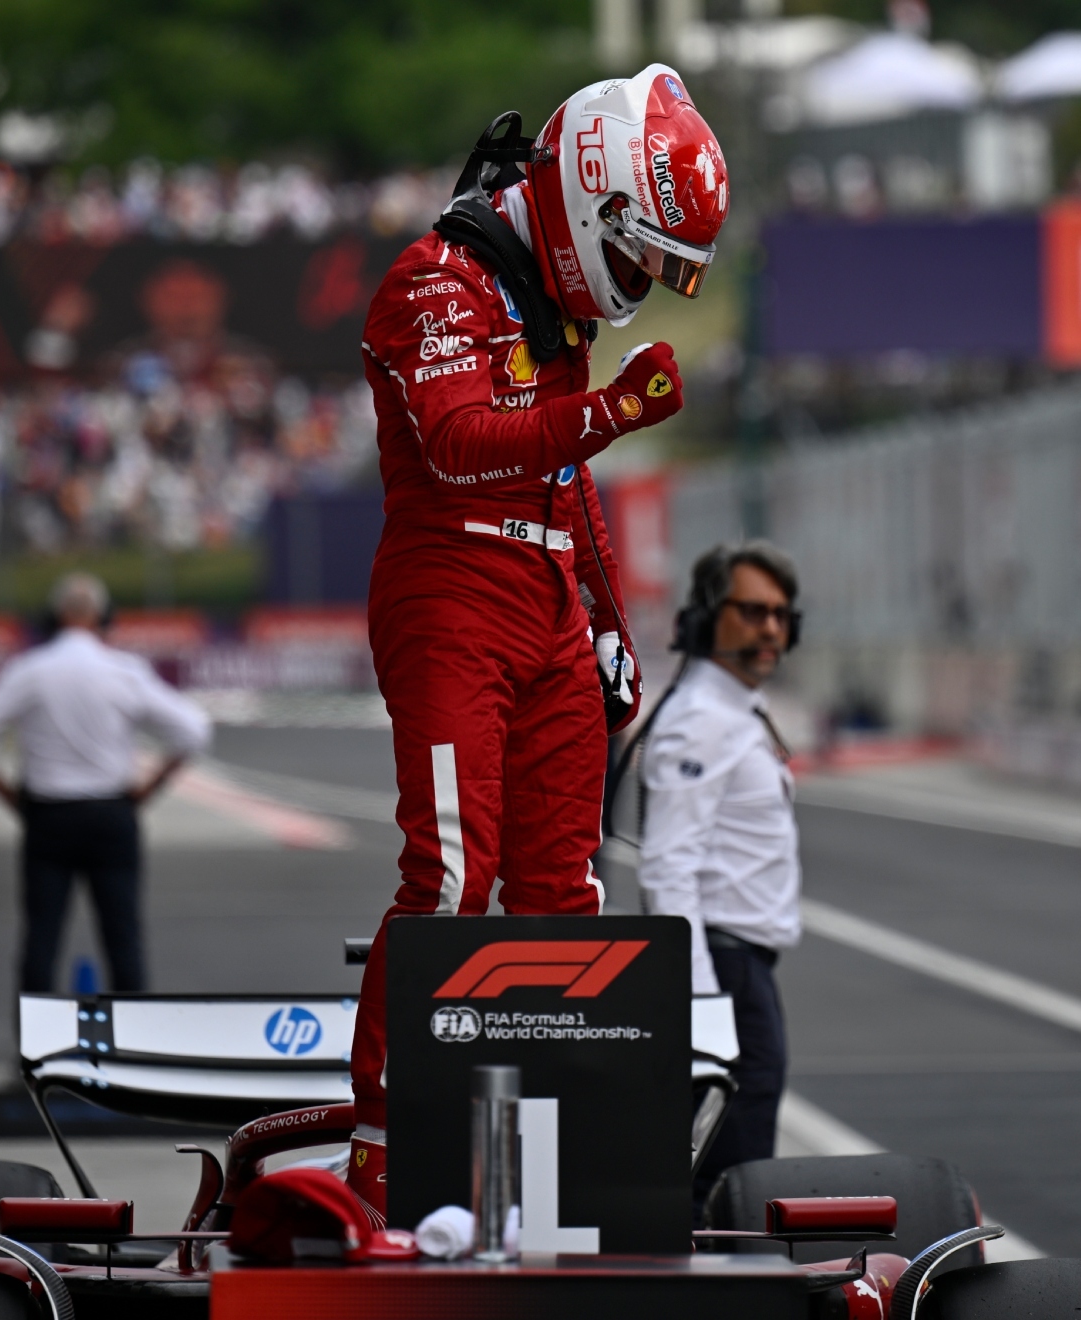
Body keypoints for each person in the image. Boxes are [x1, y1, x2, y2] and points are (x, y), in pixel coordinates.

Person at [347, 62, 730, 1220]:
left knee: (565, 891)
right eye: (644, 255)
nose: (642, 289)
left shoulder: (549, 299)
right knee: (453, 875)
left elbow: (559, 483)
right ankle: (378, 1141)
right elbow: (467, 443)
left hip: (548, 593)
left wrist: (610, 625)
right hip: (450, 589)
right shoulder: (433, 282)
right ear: (592, 194)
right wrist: (613, 410)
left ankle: (564, 1151)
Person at [637, 543, 803, 1213]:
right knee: (727, 1183)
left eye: (782, 616)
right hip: (724, 971)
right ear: (708, 618)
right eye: (754, 611)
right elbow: (667, 864)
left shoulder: (734, 714)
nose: (771, 629)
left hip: (743, 967)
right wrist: (701, 1001)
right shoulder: (702, 721)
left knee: (733, 1170)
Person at [0, 573, 211, 995]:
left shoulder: (29, 670)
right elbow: (194, 730)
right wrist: (152, 785)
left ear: (53, 616)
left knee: (41, 936)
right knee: (123, 936)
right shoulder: (124, 670)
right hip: (111, 813)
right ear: (104, 618)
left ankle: (34, 1045)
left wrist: (7, 794)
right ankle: (132, 1041)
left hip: (48, 815)